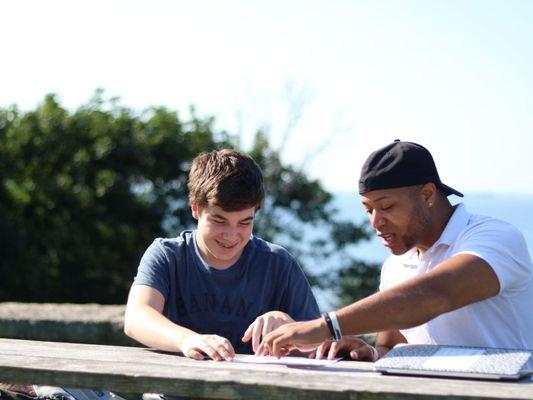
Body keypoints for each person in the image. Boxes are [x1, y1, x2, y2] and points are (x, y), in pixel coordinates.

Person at [257, 139, 533, 363]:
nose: (375, 222)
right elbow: (391, 347)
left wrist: (324, 326)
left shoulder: (495, 237)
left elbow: (436, 294)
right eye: (368, 209)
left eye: (386, 206)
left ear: (427, 195)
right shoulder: (394, 266)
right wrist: (369, 353)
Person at [124, 149, 320, 361]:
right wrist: (188, 340)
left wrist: (288, 325)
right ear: (196, 209)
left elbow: (317, 344)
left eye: (245, 222)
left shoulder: (279, 263)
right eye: (219, 220)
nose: (231, 235)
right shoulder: (167, 255)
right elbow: (136, 318)